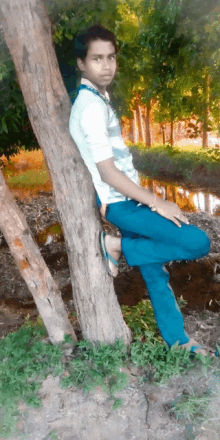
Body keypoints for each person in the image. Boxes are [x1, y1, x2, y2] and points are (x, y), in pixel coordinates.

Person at [69, 24, 215, 357]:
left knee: (155, 273)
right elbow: (106, 171)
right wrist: (157, 201)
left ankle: (179, 342)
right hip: (122, 204)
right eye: (96, 59)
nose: (106, 66)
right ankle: (115, 245)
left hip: (127, 199)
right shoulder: (90, 108)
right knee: (197, 242)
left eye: (110, 57)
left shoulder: (97, 98)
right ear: (81, 63)